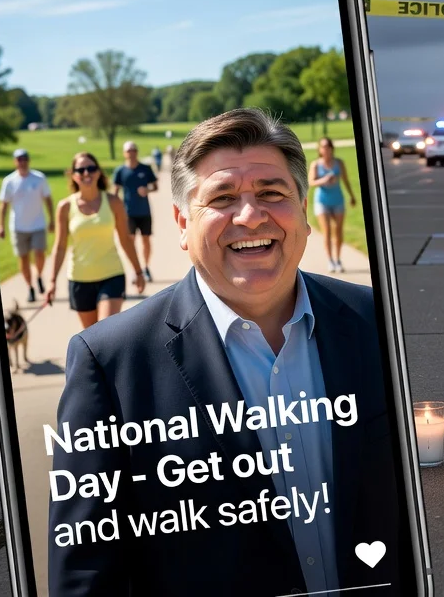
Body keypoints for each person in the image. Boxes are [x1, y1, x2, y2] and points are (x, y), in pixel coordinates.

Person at [48, 108, 399, 596]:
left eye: (272, 193)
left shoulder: (379, 321)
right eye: (223, 197)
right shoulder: (109, 363)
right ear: (181, 224)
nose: (250, 215)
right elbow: (86, 570)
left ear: (303, 209)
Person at [44, 153, 146, 328]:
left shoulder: (113, 202)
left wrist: (138, 271)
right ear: (73, 175)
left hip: (111, 275)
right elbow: (60, 247)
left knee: (106, 330)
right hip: (80, 280)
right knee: (92, 339)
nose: (86, 173)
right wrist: (52, 281)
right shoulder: (65, 207)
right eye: (80, 170)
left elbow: (125, 240)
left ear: (99, 172)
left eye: (91, 168)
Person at [0, 148, 55, 303]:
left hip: (38, 224)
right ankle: (30, 287)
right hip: (18, 227)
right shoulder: (9, 181)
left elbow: (48, 199)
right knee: (23, 259)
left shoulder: (39, 178)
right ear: (15, 162)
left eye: (24, 159)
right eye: (19, 159)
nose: (22, 162)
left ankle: (39, 275)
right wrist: (1, 225)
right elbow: (3, 205)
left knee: (39, 254)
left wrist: (52, 220)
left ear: (28, 161)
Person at [308, 136, 358, 273]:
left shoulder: (339, 163)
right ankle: (330, 260)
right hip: (322, 201)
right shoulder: (316, 165)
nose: (326, 149)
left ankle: (338, 259)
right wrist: (324, 180)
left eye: (328, 146)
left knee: (338, 231)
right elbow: (311, 182)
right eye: (323, 147)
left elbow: (346, 181)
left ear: (332, 148)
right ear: (320, 149)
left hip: (338, 200)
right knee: (327, 231)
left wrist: (352, 196)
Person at [112, 140, 159, 282]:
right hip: (128, 213)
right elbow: (114, 193)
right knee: (130, 241)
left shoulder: (145, 169)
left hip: (144, 211)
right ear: (124, 153)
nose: (131, 153)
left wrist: (147, 190)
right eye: (128, 151)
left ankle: (146, 268)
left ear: (137, 152)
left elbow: (155, 186)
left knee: (146, 240)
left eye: (134, 150)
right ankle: (135, 269)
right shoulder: (120, 171)